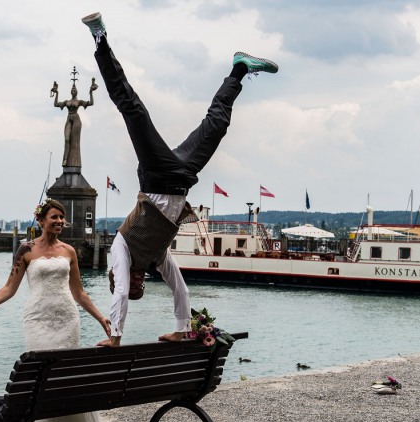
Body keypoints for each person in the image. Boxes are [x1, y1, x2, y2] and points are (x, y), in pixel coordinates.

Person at [81, 12, 278, 347]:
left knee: (132, 109)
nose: (139, 286)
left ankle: (99, 38)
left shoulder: (120, 248)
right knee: (216, 125)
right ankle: (239, 69)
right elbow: (179, 286)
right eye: (141, 288)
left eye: (134, 286)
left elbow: (120, 298)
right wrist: (183, 328)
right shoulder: (157, 256)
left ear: (120, 277)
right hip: (183, 177)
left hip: (156, 175)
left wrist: (115, 336)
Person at [0, 198, 118, 422]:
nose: (60, 222)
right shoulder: (26, 249)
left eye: (62, 218)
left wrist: (100, 317)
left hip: (67, 319)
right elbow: (9, 288)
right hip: (37, 320)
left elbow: (79, 292)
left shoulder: (69, 251)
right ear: (41, 220)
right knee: (40, 378)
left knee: (65, 379)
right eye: (55, 217)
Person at [52, 77, 98, 167]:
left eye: (74, 89)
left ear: (77, 92)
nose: (73, 90)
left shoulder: (79, 101)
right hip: (69, 119)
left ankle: (73, 161)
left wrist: (91, 92)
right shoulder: (67, 102)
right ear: (70, 91)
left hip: (76, 120)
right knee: (66, 139)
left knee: (74, 142)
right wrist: (56, 93)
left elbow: (91, 103)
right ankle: (65, 159)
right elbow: (56, 104)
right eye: (72, 89)